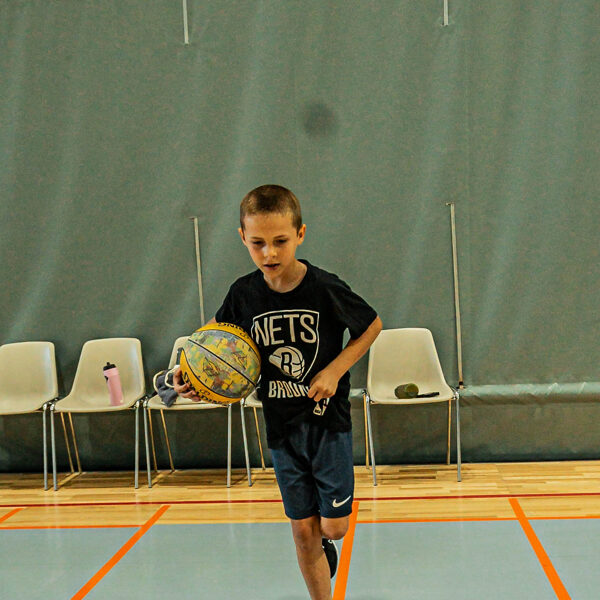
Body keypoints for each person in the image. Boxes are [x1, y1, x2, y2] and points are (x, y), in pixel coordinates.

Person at [173, 184, 382, 600]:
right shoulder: (243, 294)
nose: (269, 253)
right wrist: (192, 379)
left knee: (333, 528)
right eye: (258, 244)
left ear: (300, 235)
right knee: (302, 532)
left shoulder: (323, 287)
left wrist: (335, 370)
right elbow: (210, 346)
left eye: (280, 242)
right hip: (281, 427)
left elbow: (371, 325)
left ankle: (326, 546)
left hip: (328, 423)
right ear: (243, 239)